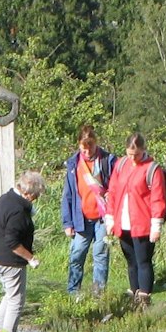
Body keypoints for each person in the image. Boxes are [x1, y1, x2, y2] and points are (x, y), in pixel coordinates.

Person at [102, 133, 166, 308]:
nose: (133, 158)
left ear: (143, 150)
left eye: (137, 154)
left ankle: (145, 298)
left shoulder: (153, 169)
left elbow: (158, 198)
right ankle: (134, 296)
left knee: (143, 261)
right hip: (122, 222)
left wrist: (156, 225)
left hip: (142, 223)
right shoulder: (121, 164)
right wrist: (110, 218)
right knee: (131, 261)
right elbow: (114, 191)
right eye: (130, 154)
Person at [0, 171, 42, 332]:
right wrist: (30, 258)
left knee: (9, 296)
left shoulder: (5, 198)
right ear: (28, 194)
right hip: (9, 261)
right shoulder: (18, 210)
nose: (35, 199)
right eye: (36, 196)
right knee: (16, 301)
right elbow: (12, 242)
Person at [60, 125, 115, 297]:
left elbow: (116, 190)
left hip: (102, 219)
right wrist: (67, 223)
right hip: (81, 219)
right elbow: (68, 195)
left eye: (90, 146)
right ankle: (73, 292)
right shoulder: (73, 164)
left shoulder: (109, 161)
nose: (87, 151)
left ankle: (98, 294)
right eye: (84, 148)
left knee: (101, 255)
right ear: (79, 145)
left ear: (95, 143)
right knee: (77, 255)